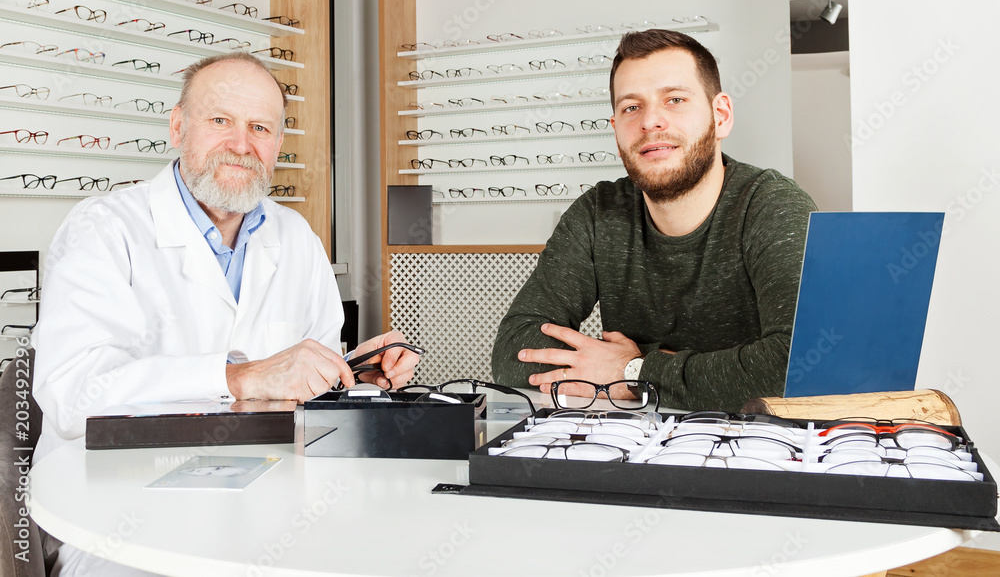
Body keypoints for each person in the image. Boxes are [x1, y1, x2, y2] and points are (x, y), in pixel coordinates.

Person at [31, 52, 418, 575]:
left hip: (270, 503)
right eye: (220, 121)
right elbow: (71, 396)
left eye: (260, 127)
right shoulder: (103, 230)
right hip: (120, 516)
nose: (241, 144)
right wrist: (240, 378)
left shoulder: (297, 239)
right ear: (177, 126)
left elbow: (313, 400)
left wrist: (358, 379)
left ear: (278, 145)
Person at [491, 29, 816, 412]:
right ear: (616, 130)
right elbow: (515, 350)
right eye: (631, 107)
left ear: (721, 115)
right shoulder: (598, 212)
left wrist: (634, 371)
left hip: (758, 449)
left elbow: (799, 365)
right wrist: (656, 372)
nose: (650, 122)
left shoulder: (773, 206)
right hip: (631, 446)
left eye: (674, 99)